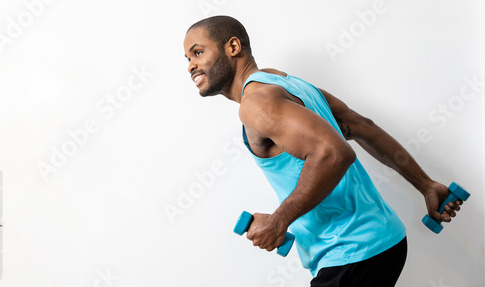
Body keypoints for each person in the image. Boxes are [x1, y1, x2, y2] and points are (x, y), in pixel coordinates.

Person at [183, 15, 464, 286]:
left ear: (233, 47)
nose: (191, 66)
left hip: (350, 254)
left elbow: (334, 154)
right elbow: (361, 126)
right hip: (383, 240)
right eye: (188, 59)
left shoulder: (255, 104)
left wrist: (279, 221)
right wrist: (425, 185)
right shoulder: (283, 82)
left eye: (198, 52)